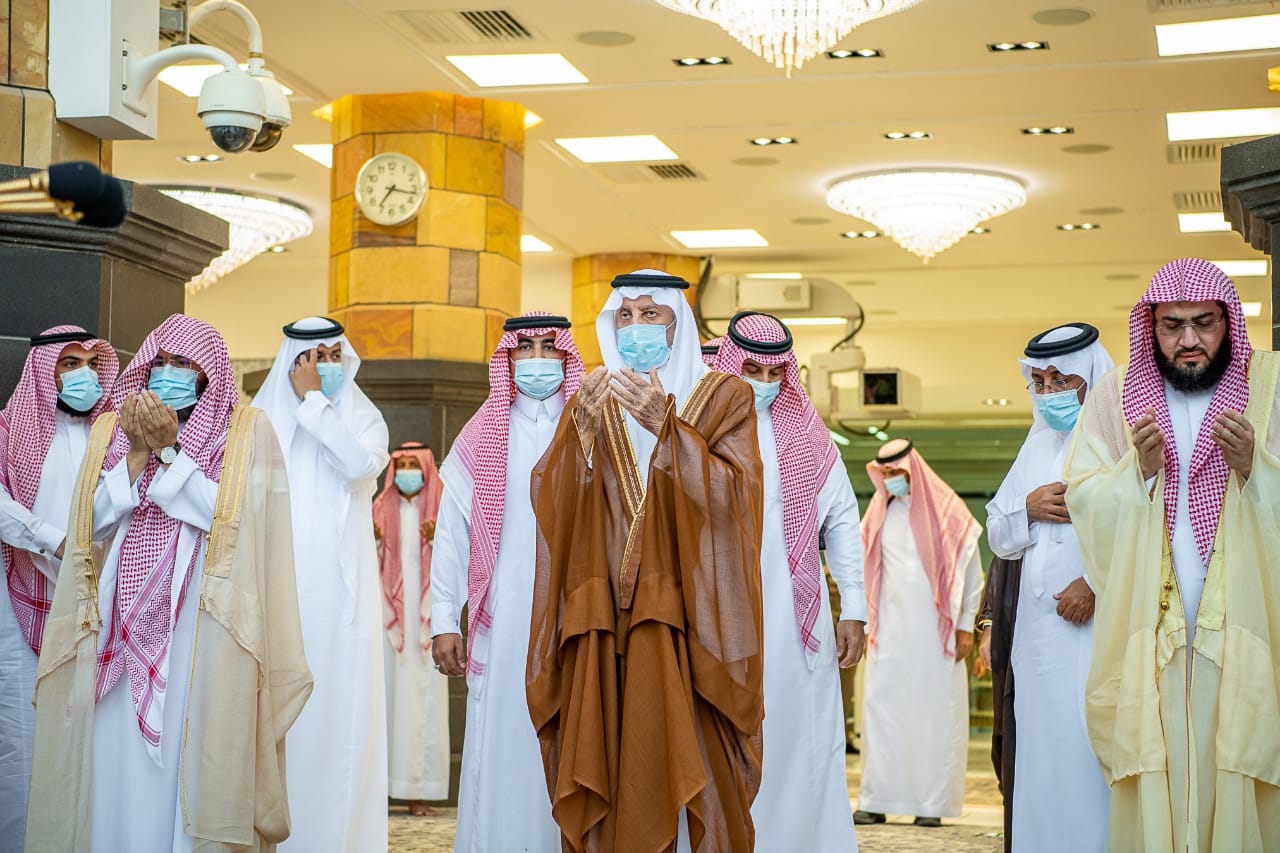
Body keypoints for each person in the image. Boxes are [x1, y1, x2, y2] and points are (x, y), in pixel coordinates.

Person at [25, 314, 312, 852]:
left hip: (198, 622)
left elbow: (231, 520)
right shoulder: (114, 430)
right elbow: (93, 522)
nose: (167, 373)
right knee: (116, 753)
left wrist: (171, 452)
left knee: (186, 746)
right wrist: (138, 453)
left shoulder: (246, 431)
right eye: (159, 362)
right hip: (119, 617)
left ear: (207, 375)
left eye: (182, 364)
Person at [527, 269, 765, 853]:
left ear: (678, 322)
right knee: (614, 755)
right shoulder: (594, 399)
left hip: (691, 617)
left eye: (650, 315)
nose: (636, 327)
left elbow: (736, 499)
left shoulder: (724, 396)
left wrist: (670, 429)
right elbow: (554, 502)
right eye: (626, 316)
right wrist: (579, 440)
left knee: (700, 761)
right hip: (605, 613)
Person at [1065, 257, 1280, 851]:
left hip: (1242, 624)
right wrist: (1135, 472)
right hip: (1152, 627)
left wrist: (1254, 469)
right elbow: (1083, 495)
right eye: (1172, 325)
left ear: (1229, 322)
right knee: (1159, 761)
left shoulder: (1271, 387)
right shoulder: (1114, 397)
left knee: (1237, 750)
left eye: (1204, 323)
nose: (1188, 340)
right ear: (1150, 326)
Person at [430, 312, 585, 853]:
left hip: (578, 618)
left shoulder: (592, 427)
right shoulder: (481, 435)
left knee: (576, 740)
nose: (538, 359)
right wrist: (445, 620)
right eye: (526, 347)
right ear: (508, 358)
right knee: (501, 744)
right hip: (502, 622)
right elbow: (452, 535)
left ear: (566, 355)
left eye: (549, 346)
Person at [712, 311, 866, 852]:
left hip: (795, 618)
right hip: (716, 617)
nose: (764, 383)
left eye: (775, 373)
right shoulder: (697, 427)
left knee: (799, 738)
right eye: (752, 370)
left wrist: (854, 609)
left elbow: (841, 519)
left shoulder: (806, 434)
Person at [252, 316, 390, 853]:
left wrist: (313, 403)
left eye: (334, 356)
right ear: (290, 364)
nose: (325, 367)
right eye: (312, 358)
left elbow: (359, 469)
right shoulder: (259, 421)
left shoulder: (364, 418)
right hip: (275, 597)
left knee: (339, 716)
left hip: (342, 606)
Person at [985, 323, 1114, 852]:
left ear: (1090, 378)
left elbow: (1148, 524)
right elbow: (998, 533)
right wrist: (1028, 509)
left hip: (1098, 632)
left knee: (1090, 750)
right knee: (1039, 752)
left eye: (1061, 380)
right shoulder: (1035, 446)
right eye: (1040, 382)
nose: (1050, 391)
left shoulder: (1120, 440)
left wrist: (1096, 582)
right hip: (1036, 637)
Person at [0, 325, 118, 848]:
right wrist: (55, 540)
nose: (83, 375)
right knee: (25, 739)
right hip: (24, 598)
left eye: (91, 364)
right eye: (69, 365)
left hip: (95, 603)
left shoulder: (110, 438)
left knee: (89, 737)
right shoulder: (9, 429)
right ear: (44, 372)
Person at [855, 438, 983, 828]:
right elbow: (862, 572)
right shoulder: (878, 514)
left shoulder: (949, 512)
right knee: (883, 712)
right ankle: (876, 800)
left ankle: (931, 804)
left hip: (936, 636)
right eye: (884, 473)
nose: (890, 478)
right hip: (889, 633)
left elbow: (972, 574)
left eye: (896, 471)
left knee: (935, 715)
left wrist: (966, 626)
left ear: (913, 469)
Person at [373, 441, 448, 815]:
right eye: (400, 466)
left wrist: (438, 539)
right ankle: (380, 791)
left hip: (427, 623)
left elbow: (463, 558)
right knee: (383, 702)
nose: (406, 473)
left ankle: (417, 791)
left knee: (423, 703)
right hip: (387, 627)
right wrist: (371, 540)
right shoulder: (377, 510)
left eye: (412, 466)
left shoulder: (442, 512)